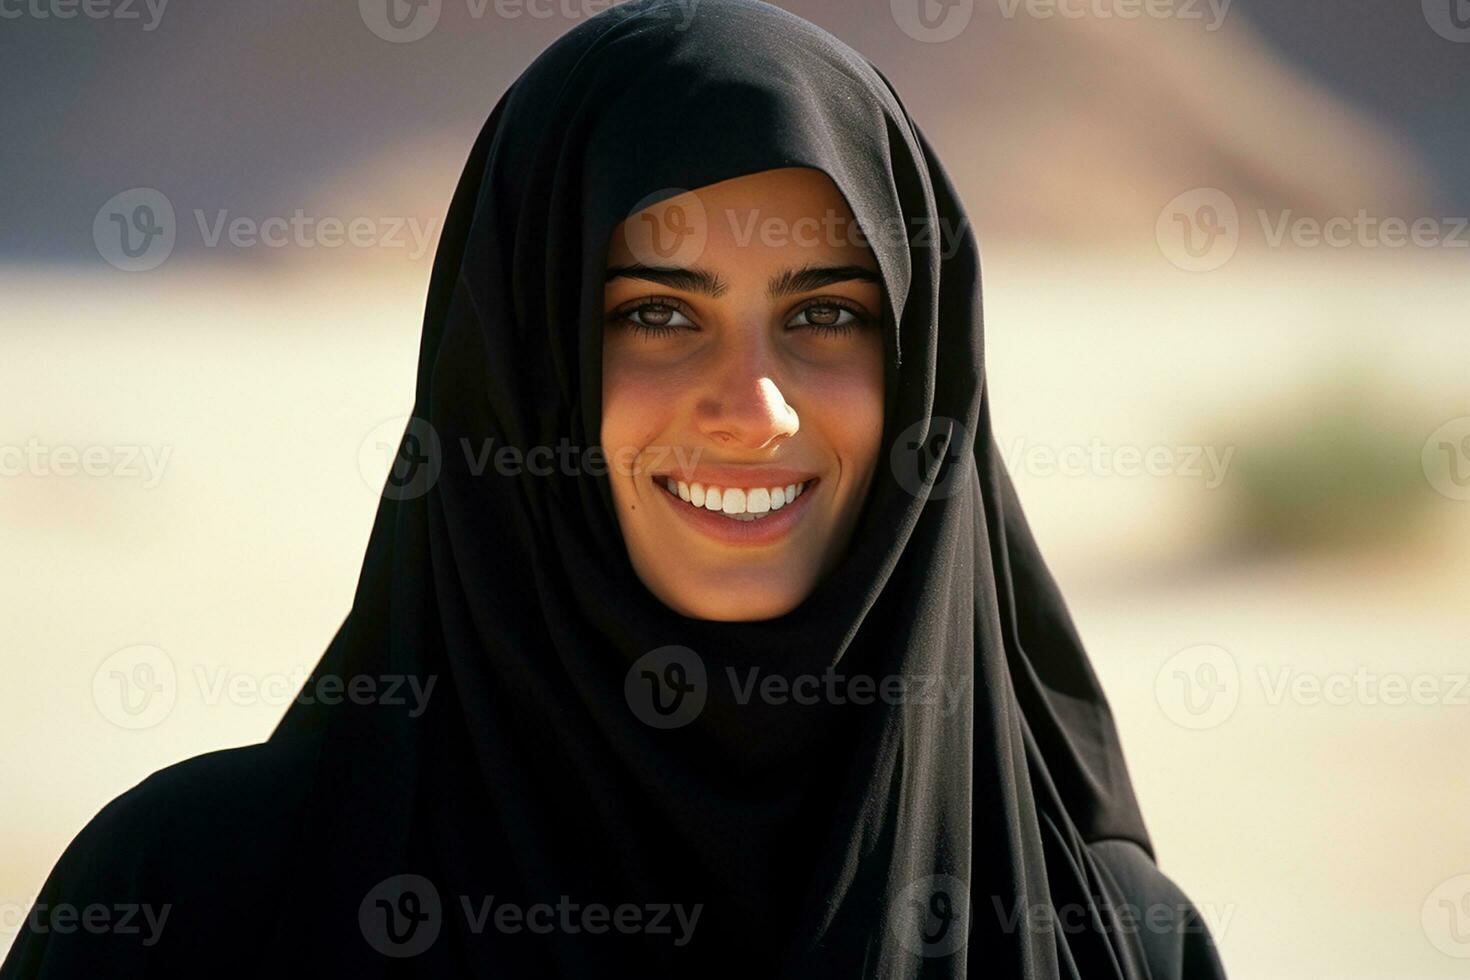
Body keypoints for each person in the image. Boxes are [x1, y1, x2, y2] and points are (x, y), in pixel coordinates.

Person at [1, 1, 1227, 976]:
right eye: (654, 314)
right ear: (520, 367)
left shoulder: (1116, 943)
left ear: (922, 371)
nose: (755, 408)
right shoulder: (187, 903)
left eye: (825, 314)